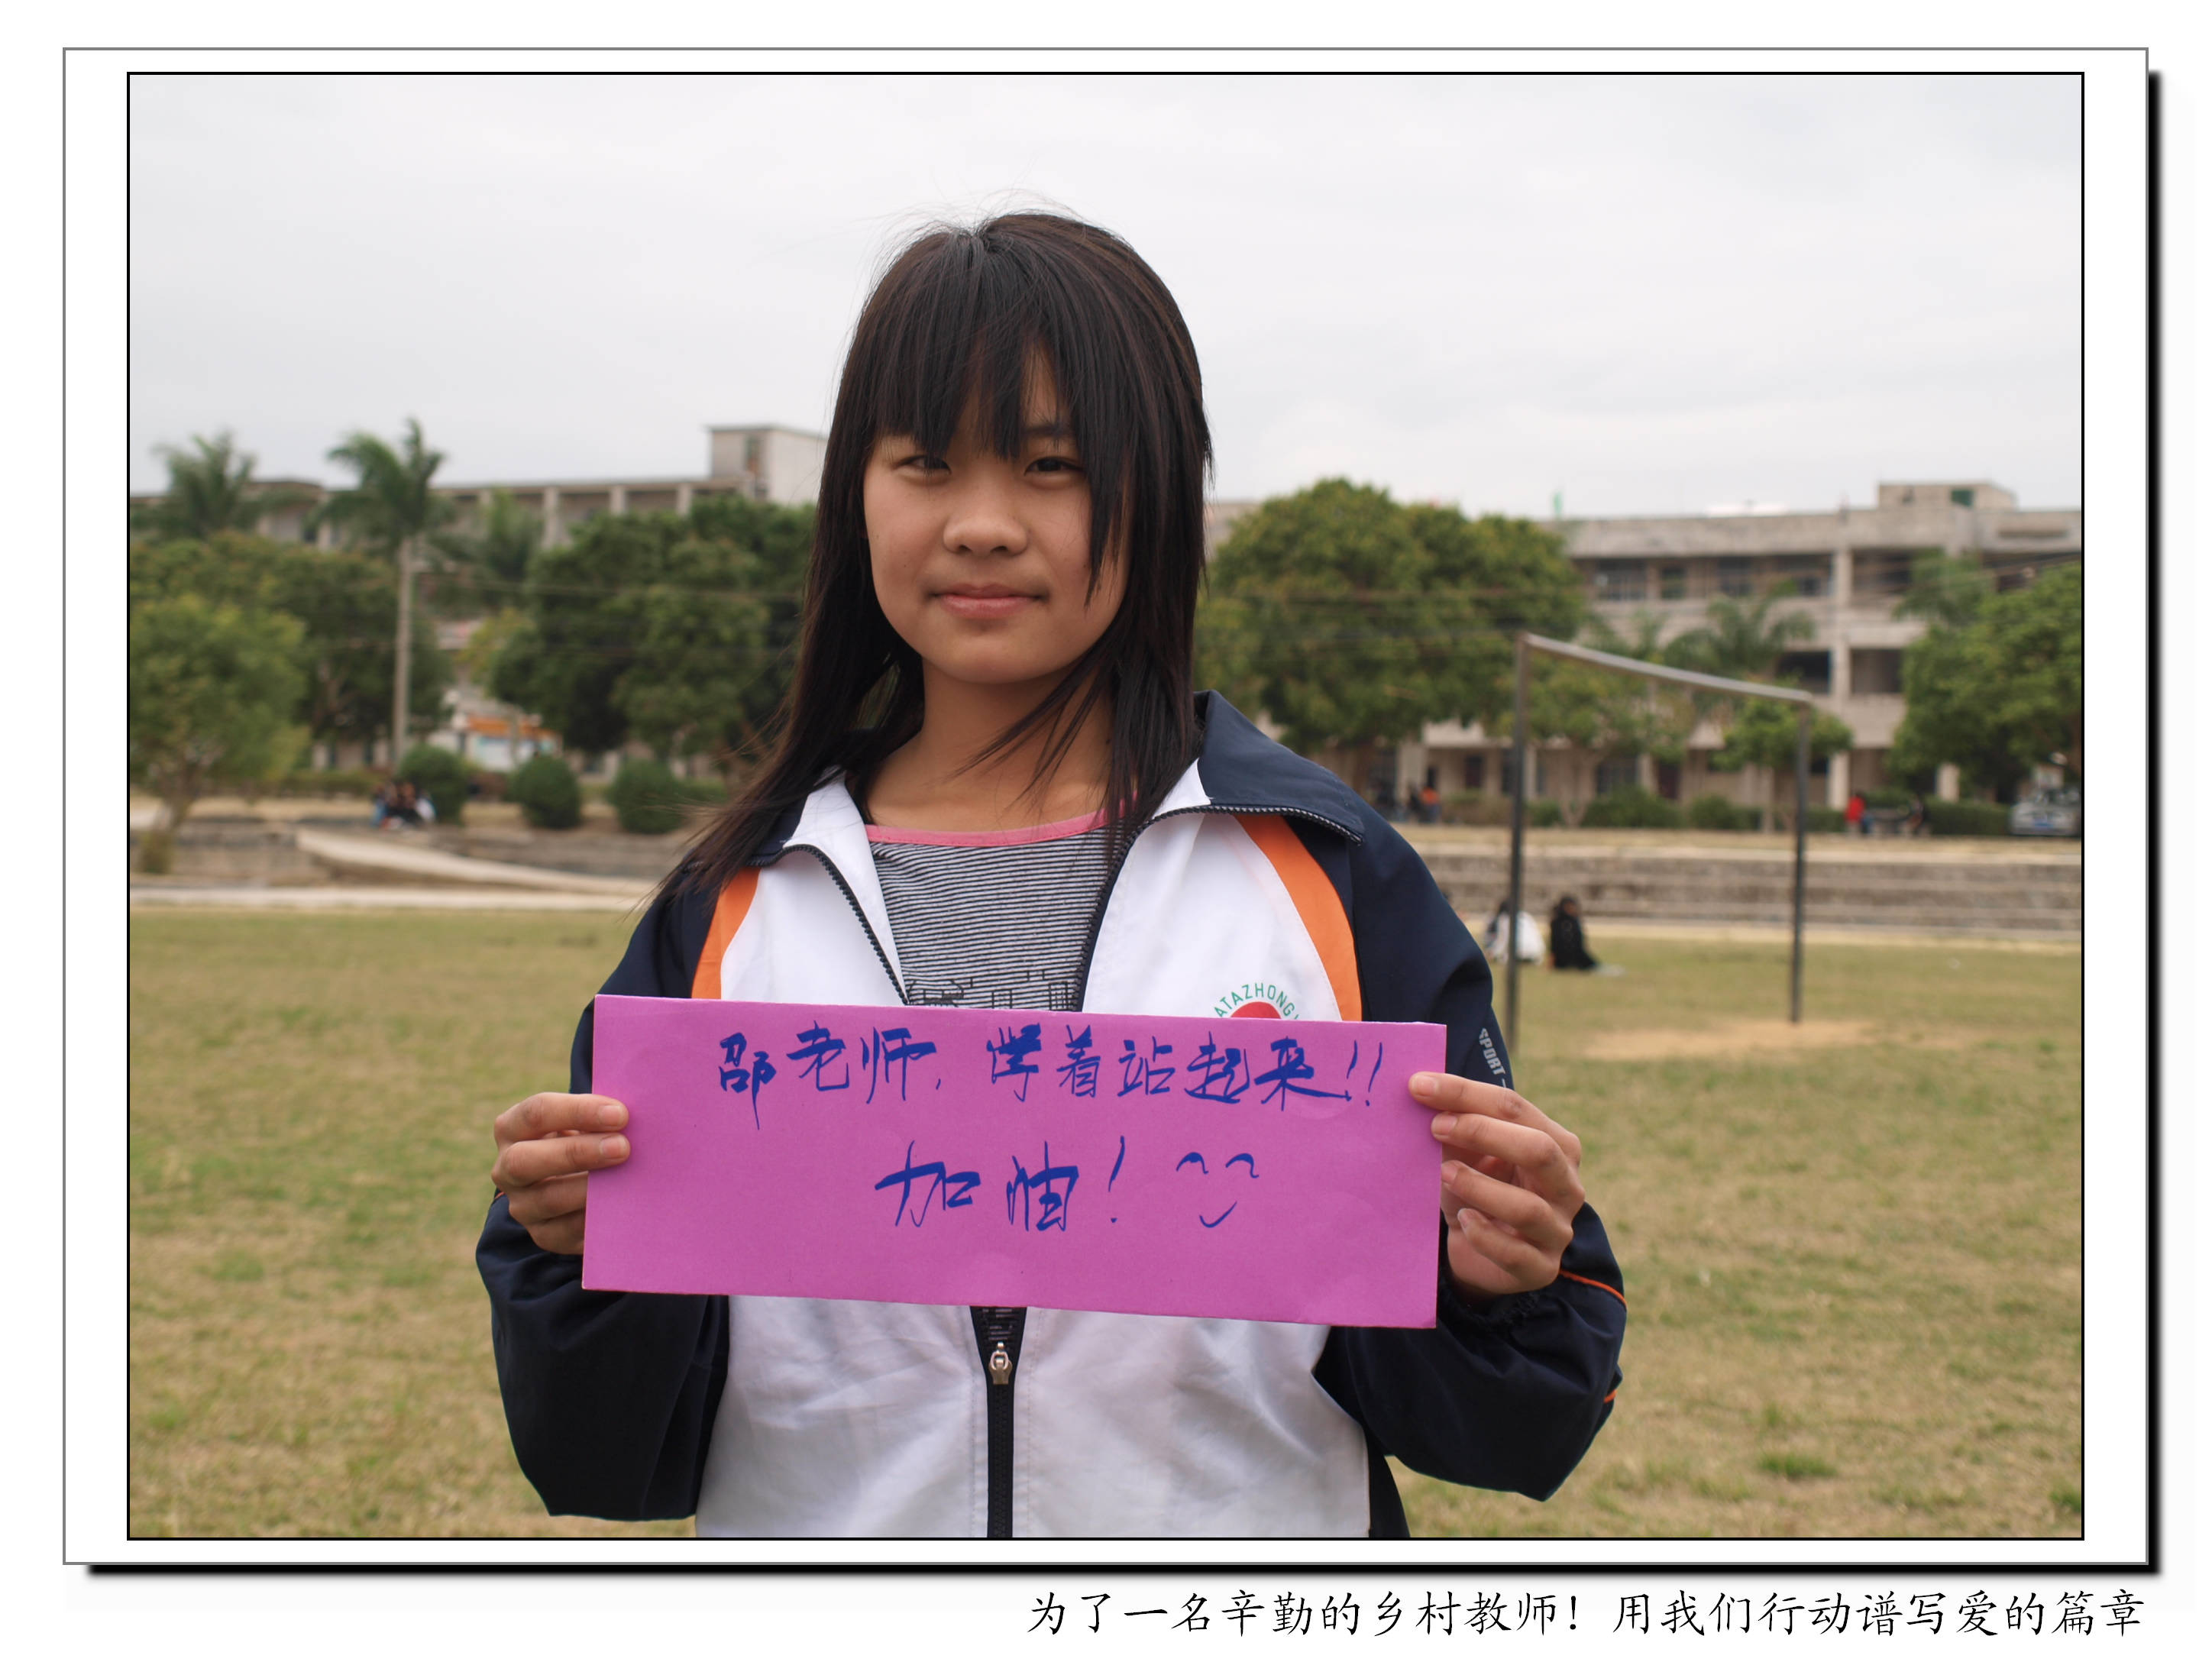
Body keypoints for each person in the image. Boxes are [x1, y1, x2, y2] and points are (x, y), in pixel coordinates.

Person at [477, 211, 1625, 1539]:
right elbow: (598, 1455)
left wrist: (1494, 1281)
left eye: (1051, 466)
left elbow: (1509, 1418)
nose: (980, 526)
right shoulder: (733, 901)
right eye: (924, 462)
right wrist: (576, 1258)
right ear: (855, 493)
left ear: (1160, 494)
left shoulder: (1329, 876)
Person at [1548, 895, 1601, 972]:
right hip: (1562, 960)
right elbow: (1554, 944)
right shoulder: (1557, 923)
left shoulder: (1575, 921)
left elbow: (1579, 943)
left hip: (1578, 956)